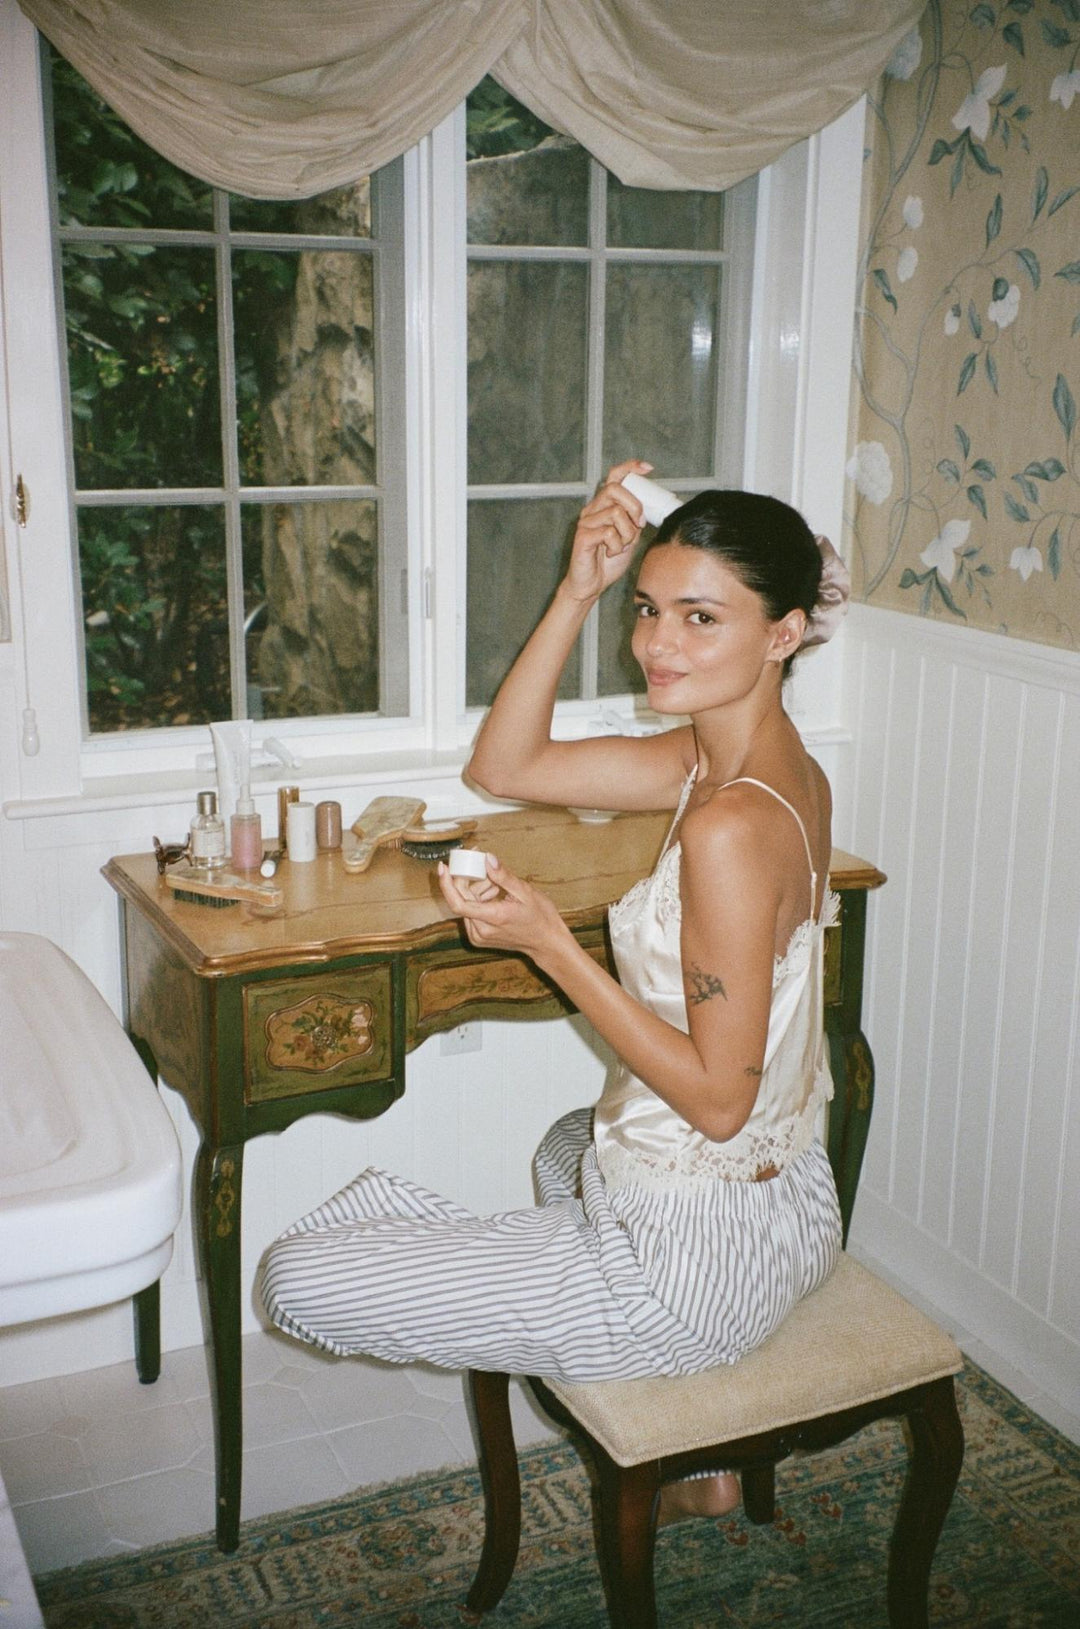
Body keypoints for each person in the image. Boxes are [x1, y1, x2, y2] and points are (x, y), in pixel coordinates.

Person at [259, 459, 850, 1521]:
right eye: (648, 610)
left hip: (701, 1265)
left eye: (701, 618)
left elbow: (716, 1101)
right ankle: (661, 1398)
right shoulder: (747, 768)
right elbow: (507, 764)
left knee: (298, 1279)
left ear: (784, 633)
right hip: (797, 1209)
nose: (658, 644)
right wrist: (577, 586)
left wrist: (549, 944)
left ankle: (659, 1370)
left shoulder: (725, 824)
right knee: (563, 1147)